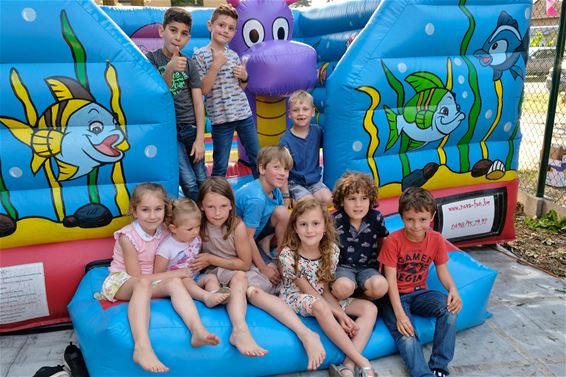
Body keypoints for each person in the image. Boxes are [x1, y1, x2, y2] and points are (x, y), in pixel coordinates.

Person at [191, 177, 326, 369]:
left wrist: (211, 259)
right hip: (221, 275)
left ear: (231, 204)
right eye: (211, 207)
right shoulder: (199, 226)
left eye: (223, 206)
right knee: (251, 290)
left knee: (252, 289)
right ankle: (244, 329)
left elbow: (244, 264)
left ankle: (304, 333)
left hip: (238, 271)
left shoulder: (236, 226)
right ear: (202, 206)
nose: (217, 212)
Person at [95, 183, 219, 373]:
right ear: (134, 211)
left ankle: (197, 330)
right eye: (145, 210)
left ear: (165, 210)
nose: (152, 215)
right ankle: (142, 347)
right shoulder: (128, 237)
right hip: (122, 281)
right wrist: (175, 273)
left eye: (158, 209)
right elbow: (136, 278)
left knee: (175, 283)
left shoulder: (164, 229)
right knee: (153, 282)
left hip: (151, 280)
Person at [278, 198, 379, 377]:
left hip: (321, 296)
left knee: (369, 308)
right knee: (319, 304)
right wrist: (339, 314)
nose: (310, 230)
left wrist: (339, 311)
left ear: (325, 226)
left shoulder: (331, 250)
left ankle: (347, 366)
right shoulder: (288, 255)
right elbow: (309, 291)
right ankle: (362, 361)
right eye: (303, 224)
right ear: (295, 227)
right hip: (296, 296)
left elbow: (323, 288)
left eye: (315, 223)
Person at [377, 187, 462, 377]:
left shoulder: (436, 239)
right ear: (401, 217)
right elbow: (389, 280)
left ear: (431, 217)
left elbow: (442, 270)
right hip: (394, 296)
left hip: (419, 293)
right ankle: (423, 375)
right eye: (410, 220)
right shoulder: (393, 241)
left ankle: (439, 367)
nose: (416, 226)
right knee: (407, 335)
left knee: (450, 310)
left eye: (423, 220)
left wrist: (453, 289)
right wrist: (400, 315)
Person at [146, 8, 206, 202]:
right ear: (161, 31)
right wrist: (169, 69)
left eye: (184, 33)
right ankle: (197, 217)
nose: (178, 37)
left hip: (190, 127)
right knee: (188, 181)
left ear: (188, 38)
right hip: (171, 131)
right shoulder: (152, 60)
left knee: (202, 178)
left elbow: (198, 103)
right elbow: (159, 95)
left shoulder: (189, 64)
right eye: (173, 30)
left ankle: (207, 218)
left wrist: (200, 139)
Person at [193, 4, 260, 178]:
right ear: (210, 26)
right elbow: (204, 90)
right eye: (221, 25)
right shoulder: (200, 55)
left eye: (230, 28)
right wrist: (215, 65)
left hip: (243, 115)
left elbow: (241, 87)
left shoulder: (233, 55)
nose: (225, 31)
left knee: (256, 157)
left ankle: (265, 194)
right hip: (221, 119)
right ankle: (216, 199)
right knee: (220, 164)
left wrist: (244, 77)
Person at [154, 198, 231, 308]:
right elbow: (157, 275)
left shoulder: (196, 238)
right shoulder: (166, 248)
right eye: (190, 229)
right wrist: (178, 273)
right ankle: (206, 297)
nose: (195, 232)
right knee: (187, 281)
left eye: (198, 226)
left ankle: (215, 295)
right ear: (173, 228)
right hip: (179, 283)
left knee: (211, 278)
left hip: (195, 277)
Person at [235, 145, 291, 289]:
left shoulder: (274, 189)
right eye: (277, 167)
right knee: (271, 275)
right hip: (237, 241)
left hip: (255, 233)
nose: (282, 173)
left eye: (285, 169)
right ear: (262, 169)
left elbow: (281, 217)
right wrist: (263, 268)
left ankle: (280, 256)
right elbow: (247, 237)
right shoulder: (256, 199)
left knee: (283, 212)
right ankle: (266, 260)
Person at [331, 172, 389, 301]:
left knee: (381, 286)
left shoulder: (376, 218)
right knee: (343, 287)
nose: (358, 204)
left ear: (371, 200)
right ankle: (347, 298)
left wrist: (382, 269)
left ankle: (361, 300)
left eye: (364, 198)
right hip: (343, 268)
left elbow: (382, 242)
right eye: (352, 199)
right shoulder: (334, 220)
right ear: (341, 201)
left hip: (368, 268)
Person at [279, 90, 332, 207]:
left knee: (329, 199)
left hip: (314, 181)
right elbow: (283, 169)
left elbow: (331, 145)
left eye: (305, 109)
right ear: (289, 114)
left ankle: (304, 198)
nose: (300, 113)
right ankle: (296, 199)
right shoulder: (286, 140)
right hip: (294, 183)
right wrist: (285, 195)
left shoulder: (317, 131)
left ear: (313, 112)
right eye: (295, 110)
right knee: (308, 205)